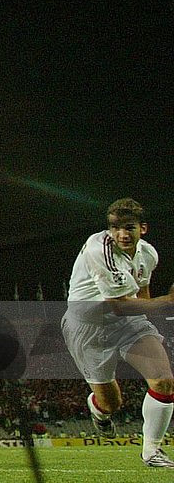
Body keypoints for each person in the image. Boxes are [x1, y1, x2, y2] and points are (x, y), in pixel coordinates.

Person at [62, 198, 174, 468]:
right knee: (111, 404)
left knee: (164, 382)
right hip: (87, 330)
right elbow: (119, 305)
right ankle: (98, 411)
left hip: (127, 323)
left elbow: (142, 295)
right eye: (115, 228)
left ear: (142, 229)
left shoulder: (148, 254)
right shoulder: (98, 249)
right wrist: (168, 302)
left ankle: (152, 451)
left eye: (129, 227)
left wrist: (156, 320)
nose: (122, 234)